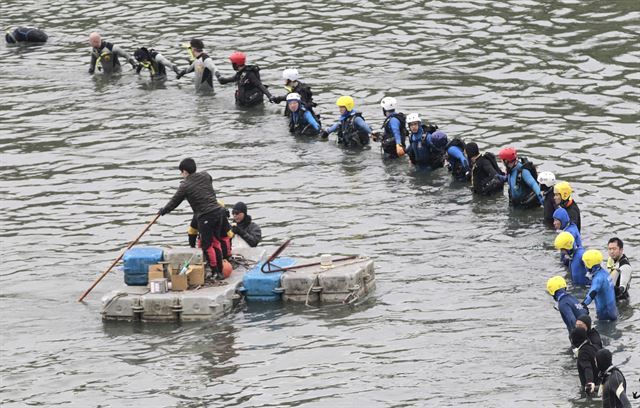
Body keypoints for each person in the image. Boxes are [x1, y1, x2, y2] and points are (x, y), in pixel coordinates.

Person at [158, 158, 230, 280]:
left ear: (185, 171)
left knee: (207, 246)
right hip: (219, 212)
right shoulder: (206, 175)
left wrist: (163, 211)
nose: (182, 175)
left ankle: (215, 272)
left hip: (205, 215)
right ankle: (220, 271)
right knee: (216, 242)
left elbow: (174, 202)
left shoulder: (185, 185)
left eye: (181, 172)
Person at [581, 250, 618, 321]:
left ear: (590, 265)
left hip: (605, 314)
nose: (585, 266)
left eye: (585, 263)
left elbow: (592, 293)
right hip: (611, 310)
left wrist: (583, 305)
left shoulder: (598, 279)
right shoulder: (604, 273)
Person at [570, 327, 600, 396]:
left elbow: (587, 368)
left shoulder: (583, 353)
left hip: (592, 388)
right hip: (600, 382)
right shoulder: (593, 347)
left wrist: (589, 383)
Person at [606, 237, 632, 302]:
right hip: (612, 297)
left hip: (621, 302)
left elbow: (622, 288)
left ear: (621, 250)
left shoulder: (625, 266)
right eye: (610, 249)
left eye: (614, 249)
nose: (611, 252)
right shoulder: (613, 260)